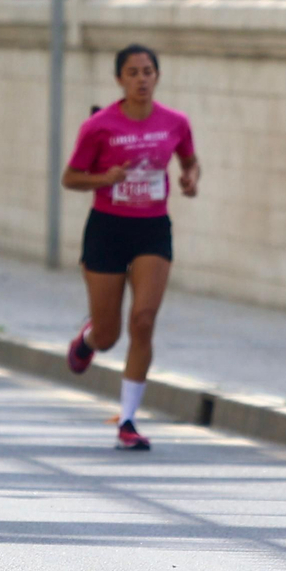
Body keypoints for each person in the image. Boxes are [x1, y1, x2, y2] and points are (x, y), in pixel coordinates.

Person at [61, 44, 200, 452]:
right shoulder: (99, 126)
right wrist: (105, 179)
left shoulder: (175, 122)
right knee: (109, 335)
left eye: (148, 72)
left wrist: (191, 178)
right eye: (133, 72)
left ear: (157, 76)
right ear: (119, 79)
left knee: (143, 320)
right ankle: (88, 340)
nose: (142, 79)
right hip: (107, 229)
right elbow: (70, 178)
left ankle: (127, 421)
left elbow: (190, 160)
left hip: (152, 230)